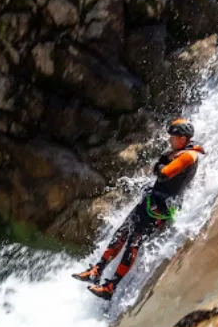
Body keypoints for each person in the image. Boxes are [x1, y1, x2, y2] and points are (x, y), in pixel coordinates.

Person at [72, 118, 205, 300]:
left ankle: (111, 287)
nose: (169, 140)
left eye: (172, 137)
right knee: (122, 232)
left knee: (133, 242)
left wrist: (164, 159)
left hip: (159, 208)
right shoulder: (179, 152)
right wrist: (165, 158)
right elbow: (160, 168)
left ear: (182, 139)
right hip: (152, 201)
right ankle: (96, 270)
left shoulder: (189, 156)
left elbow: (162, 173)